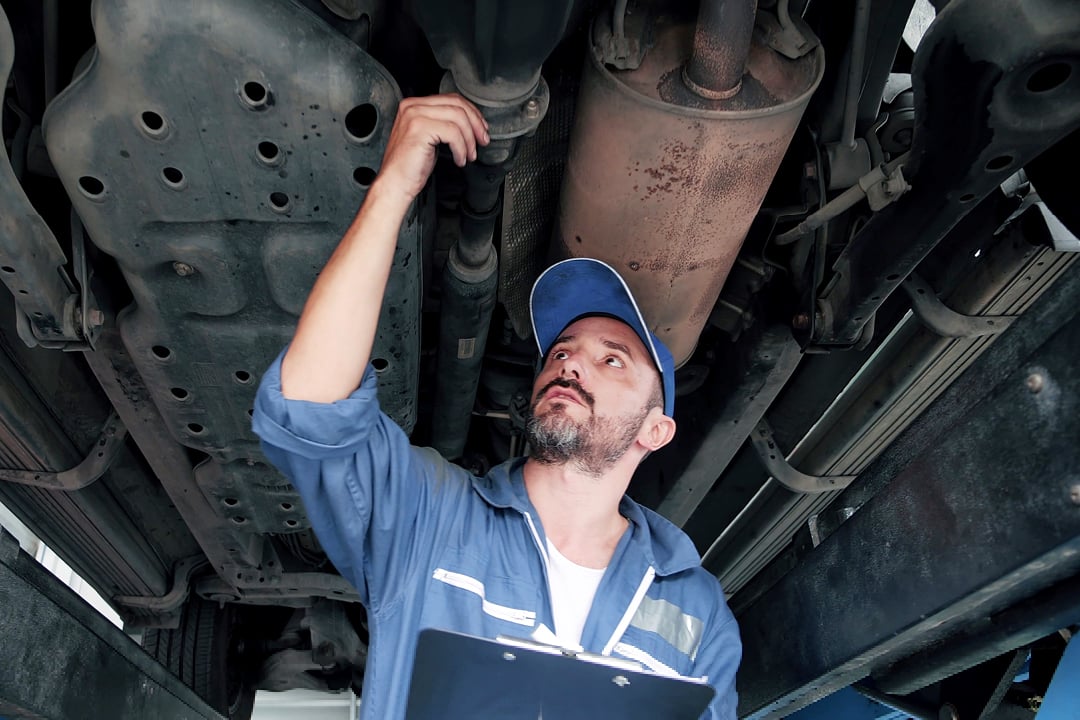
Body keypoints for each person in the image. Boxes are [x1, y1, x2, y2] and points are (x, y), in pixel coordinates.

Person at [252, 94, 741, 719]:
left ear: (656, 428)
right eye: (561, 350)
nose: (570, 362)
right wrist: (392, 189)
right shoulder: (429, 516)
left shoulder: (696, 612)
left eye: (612, 359)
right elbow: (312, 406)